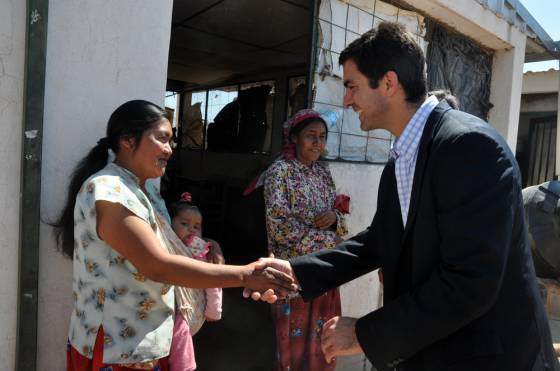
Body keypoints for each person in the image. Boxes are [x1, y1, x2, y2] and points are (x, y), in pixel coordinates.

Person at [248, 22, 559, 371]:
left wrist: (365, 333)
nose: (346, 100)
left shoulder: (469, 147)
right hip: (438, 350)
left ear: (389, 83)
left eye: (351, 86)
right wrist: (296, 272)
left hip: (492, 357)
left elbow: (471, 281)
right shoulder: (401, 161)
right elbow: (379, 241)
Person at [53, 100, 295, 371]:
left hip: (145, 340)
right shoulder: (110, 191)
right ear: (128, 141)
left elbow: (169, 247)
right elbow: (157, 264)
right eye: (162, 139)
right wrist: (245, 275)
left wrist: (209, 247)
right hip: (118, 347)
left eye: (171, 141)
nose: (170, 150)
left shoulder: (145, 191)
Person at [263, 109, 348, 370]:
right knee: (292, 343)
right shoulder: (280, 172)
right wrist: (328, 241)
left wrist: (334, 218)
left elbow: (341, 221)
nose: (317, 143)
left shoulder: (323, 174)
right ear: (295, 138)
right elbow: (279, 228)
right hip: (293, 274)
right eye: (311, 136)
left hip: (324, 273)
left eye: (322, 137)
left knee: (322, 342)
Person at [168, 192, 222, 371]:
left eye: (197, 226)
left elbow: (212, 279)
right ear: (169, 224)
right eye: (184, 224)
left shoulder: (199, 250)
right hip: (168, 303)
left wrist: (214, 310)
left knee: (181, 332)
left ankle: (185, 367)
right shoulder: (165, 241)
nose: (191, 230)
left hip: (187, 308)